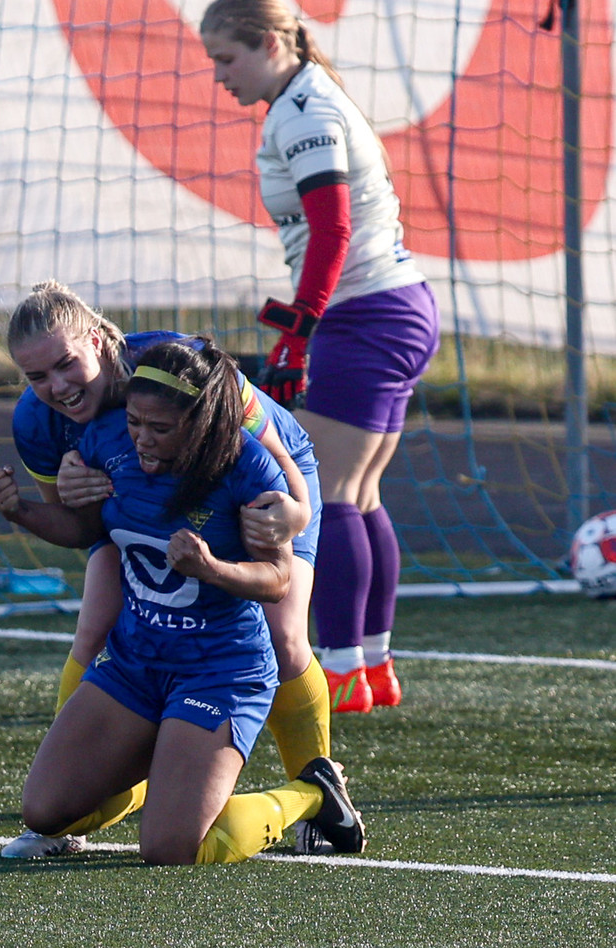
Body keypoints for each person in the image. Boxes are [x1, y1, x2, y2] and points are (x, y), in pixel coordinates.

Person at [0, 340, 365, 864]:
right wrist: (21, 511)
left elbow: (277, 580)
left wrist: (212, 568)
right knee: (44, 810)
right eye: (134, 422)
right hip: (135, 662)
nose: (141, 437)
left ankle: (313, 792)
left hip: (218, 672)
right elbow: (86, 530)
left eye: (158, 428)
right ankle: (156, 776)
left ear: (199, 424)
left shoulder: (246, 468)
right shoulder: (107, 440)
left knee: (170, 848)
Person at [200, 0, 441, 713]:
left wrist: (299, 331)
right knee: (358, 494)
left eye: (227, 58)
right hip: (393, 308)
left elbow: (332, 229)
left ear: (272, 43)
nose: (220, 76)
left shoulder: (304, 110)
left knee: (328, 494)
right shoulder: (307, 99)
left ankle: (340, 670)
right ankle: (372, 667)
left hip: (366, 316)